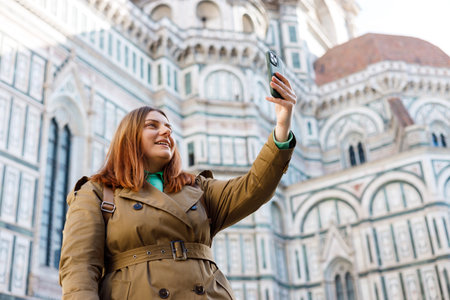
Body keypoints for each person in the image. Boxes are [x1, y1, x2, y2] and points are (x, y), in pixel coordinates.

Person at [59, 72, 297, 299]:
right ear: (128, 137)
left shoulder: (197, 188)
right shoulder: (98, 192)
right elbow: (79, 269)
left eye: (169, 128)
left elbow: (254, 187)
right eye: (152, 125)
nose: (166, 131)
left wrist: (282, 125)